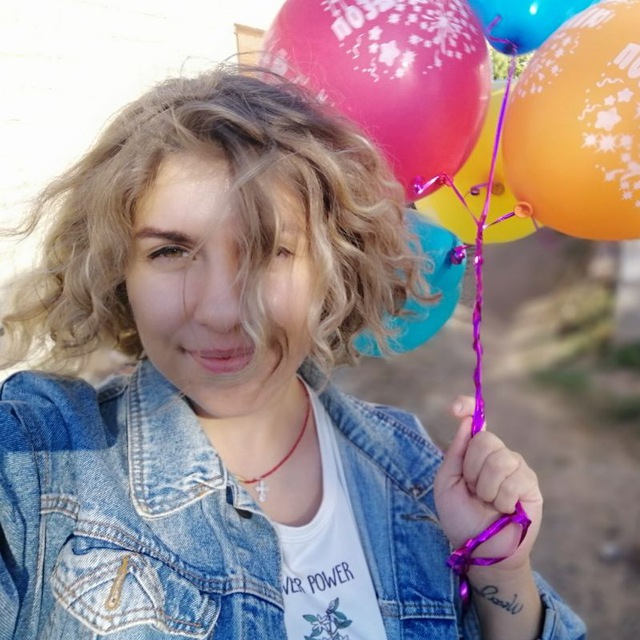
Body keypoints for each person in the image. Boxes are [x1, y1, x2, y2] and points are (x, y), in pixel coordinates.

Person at [0, 64, 585, 640]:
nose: (222, 311)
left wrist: (497, 570)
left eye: (271, 251)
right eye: (170, 252)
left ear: (333, 269)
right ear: (117, 271)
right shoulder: (41, 456)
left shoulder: (410, 464)